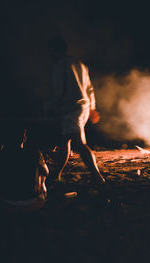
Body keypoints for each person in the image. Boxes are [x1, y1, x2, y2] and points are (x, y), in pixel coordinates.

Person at [43, 36, 105, 184]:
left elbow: (58, 92)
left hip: (71, 110)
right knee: (65, 141)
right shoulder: (80, 64)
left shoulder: (59, 65)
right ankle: (57, 174)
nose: (49, 55)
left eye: (50, 52)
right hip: (82, 108)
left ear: (54, 50)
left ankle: (97, 176)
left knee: (79, 144)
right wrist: (92, 108)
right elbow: (89, 89)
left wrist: (47, 108)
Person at [0, 128, 48, 213]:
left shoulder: (0, 155)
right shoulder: (35, 154)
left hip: (6, 202)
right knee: (43, 177)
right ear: (24, 138)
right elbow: (46, 172)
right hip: (33, 202)